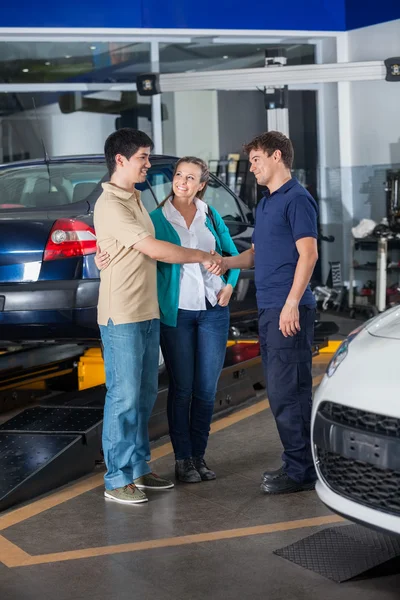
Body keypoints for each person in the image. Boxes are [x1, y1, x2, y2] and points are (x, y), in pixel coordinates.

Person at [93, 129, 222, 505]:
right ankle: (116, 479)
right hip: (123, 313)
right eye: (143, 158)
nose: (149, 165)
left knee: (145, 394)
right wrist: (200, 256)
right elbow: (152, 247)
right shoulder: (111, 204)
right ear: (121, 160)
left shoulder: (134, 198)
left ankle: (137, 469)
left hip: (148, 310)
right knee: (124, 396)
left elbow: (129, 249)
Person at [219, 131, 319, 495]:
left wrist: (292, 302)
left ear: (277, 156)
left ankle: (300, 472)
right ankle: (301, 464)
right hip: (270, 307)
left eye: (256, 160)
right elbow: (257, 254)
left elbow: (308, 255)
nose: (252, 168)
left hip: (287, 308)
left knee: (287, 391)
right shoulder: (265, 203)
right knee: (284, 391)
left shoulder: (297, 199)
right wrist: (226, 261)